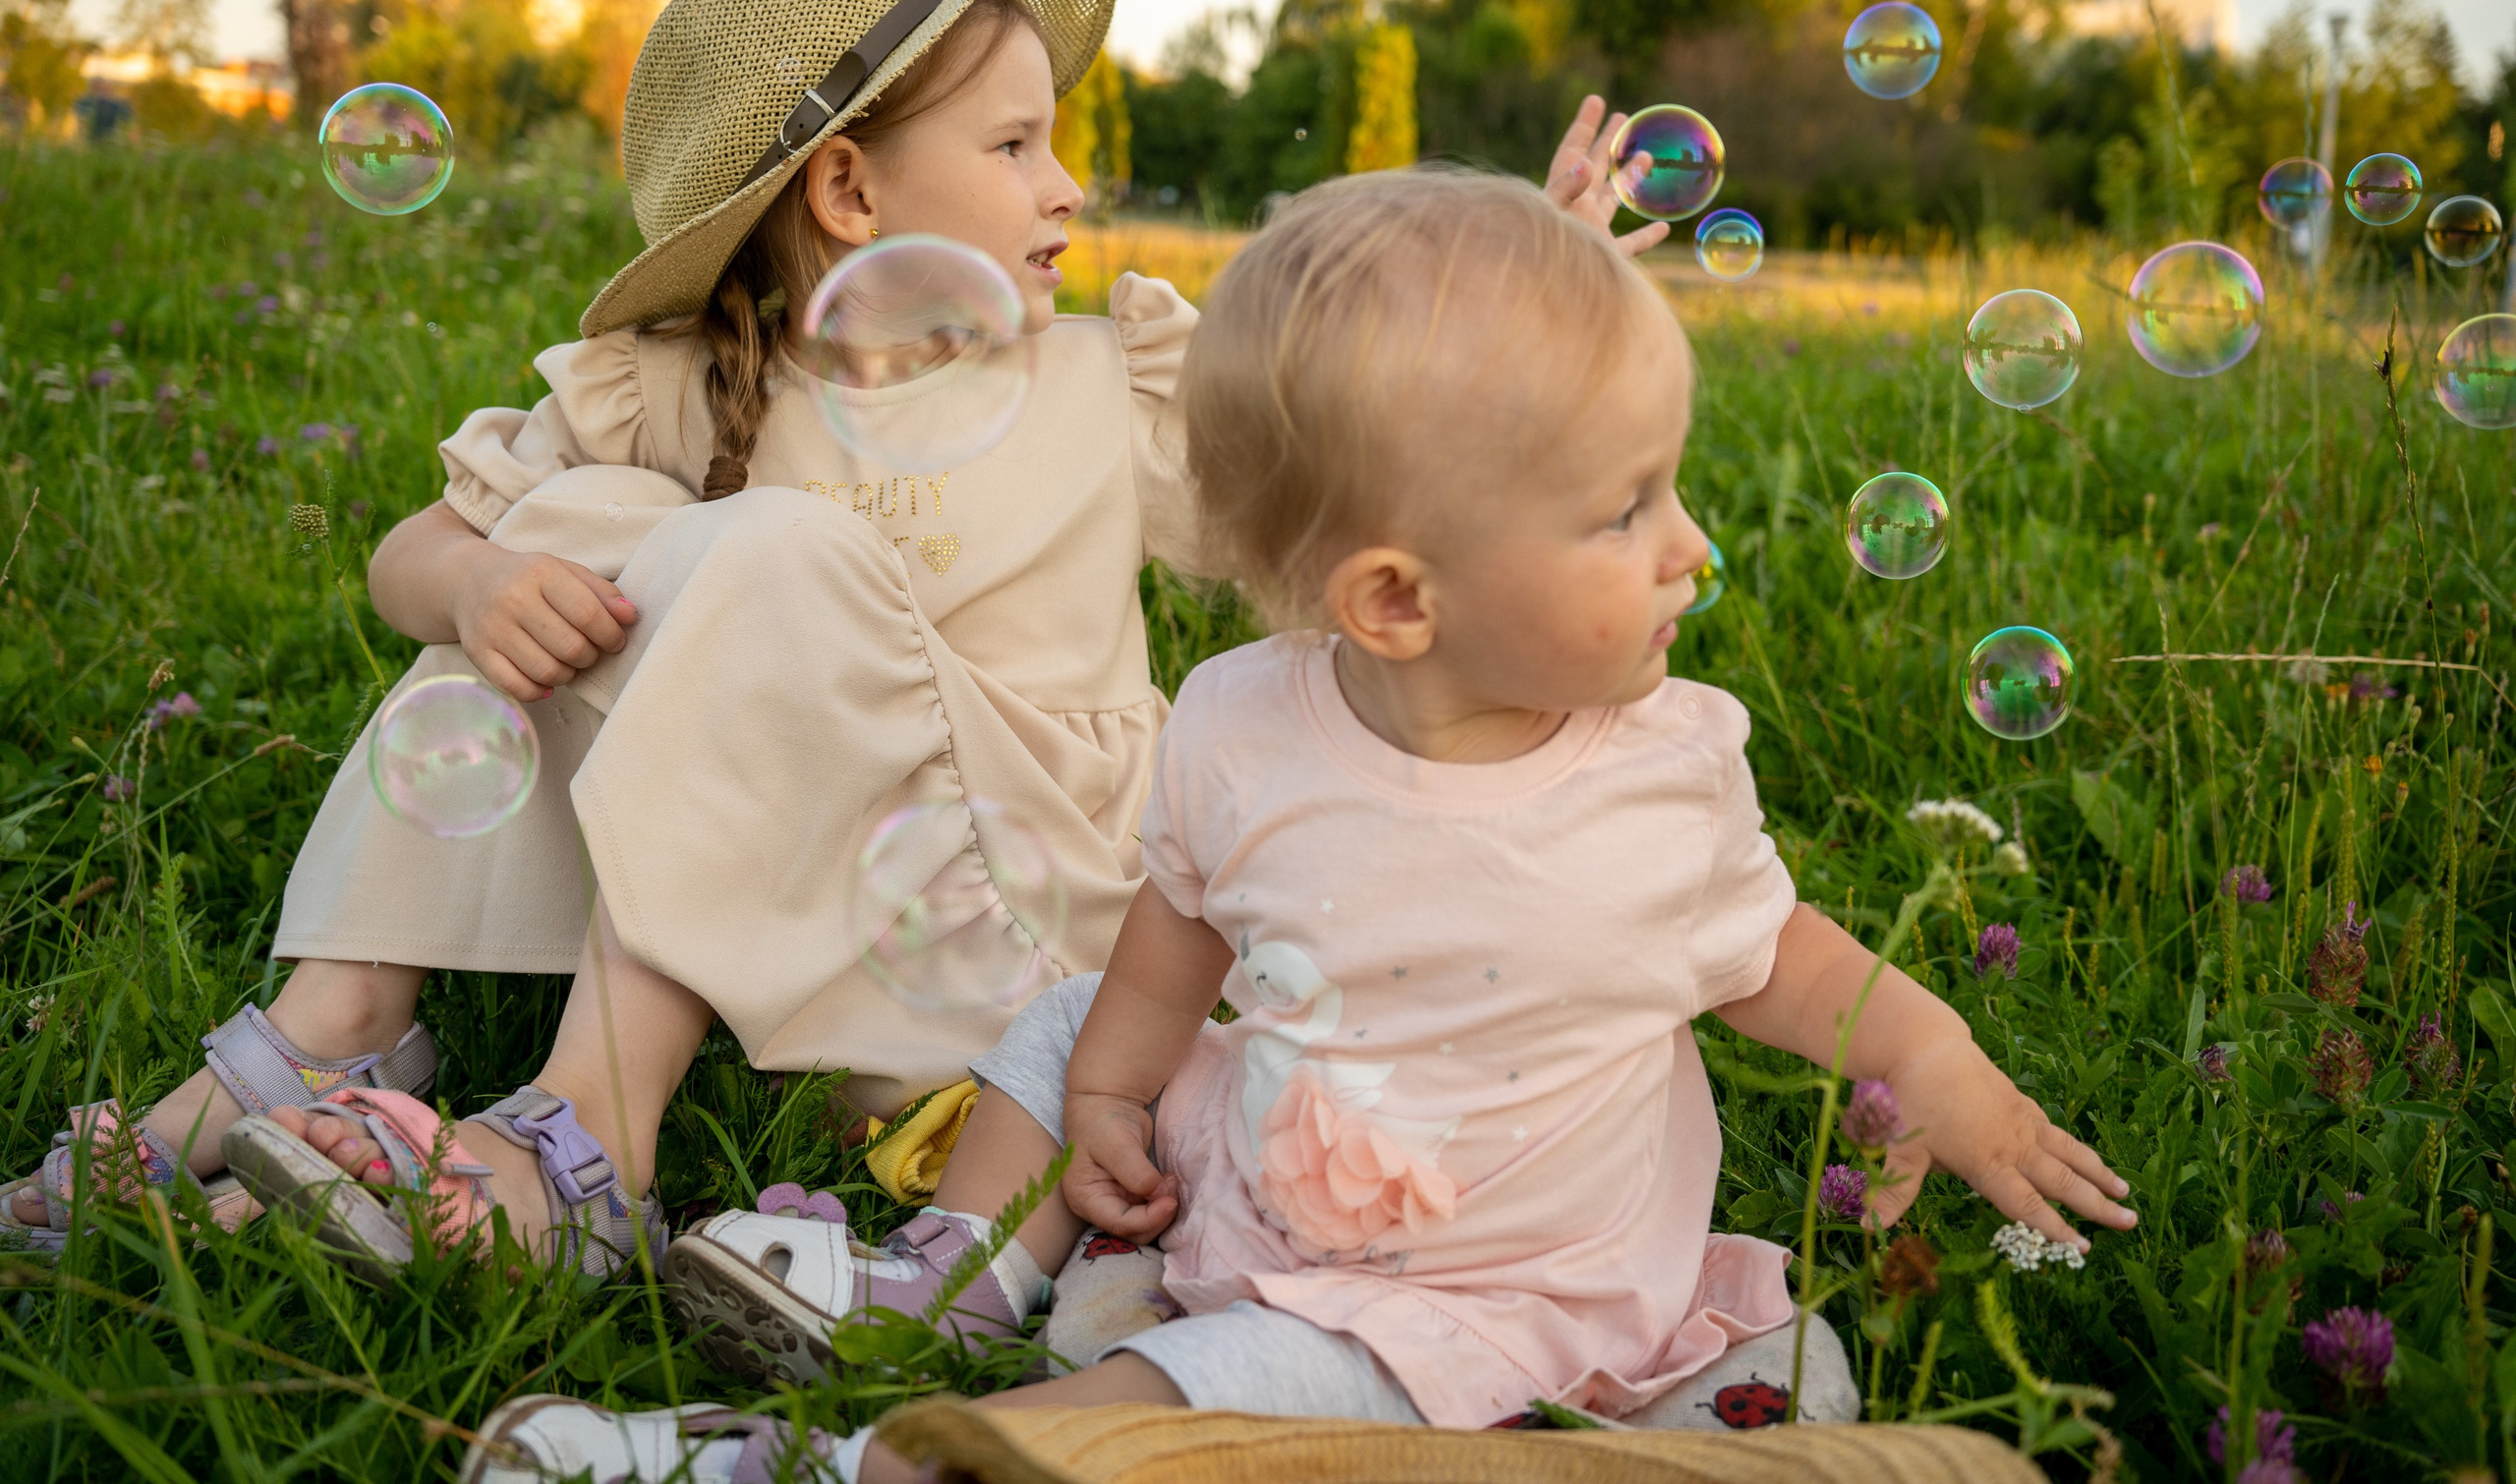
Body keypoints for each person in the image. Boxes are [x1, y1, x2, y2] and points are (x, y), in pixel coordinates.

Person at [7, 0, 1665, 1283]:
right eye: (1017, 143)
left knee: (747, 553)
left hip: (1015, 935)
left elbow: (1354, 474)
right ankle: (343, 1018)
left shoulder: (1108, 386)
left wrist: (1536, 284)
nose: (1068, 187)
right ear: (852, 194)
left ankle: (589, 1137)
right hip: (800, 902)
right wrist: (477, 581)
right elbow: (410, 557)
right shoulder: (676, 389)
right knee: (552, 544)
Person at [455, 166, 2137, 1483]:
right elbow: (1176, 930)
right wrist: (1114, 1085)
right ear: (1396, 599)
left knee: (1179, 1400)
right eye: (1628, 509)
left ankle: (806, 1464)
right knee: (1063, 1027)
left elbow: (1783, 956)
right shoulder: (1246, 721)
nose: (1690, 546)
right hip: (1267, 1136)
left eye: (1669, 488)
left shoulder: (1658, 769)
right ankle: (950, 1267)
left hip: (1464, 1299)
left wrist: (1941, 1065)